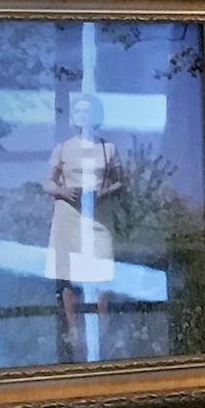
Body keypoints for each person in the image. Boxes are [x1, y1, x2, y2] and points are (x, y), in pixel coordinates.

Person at [43, 93, 121, 362]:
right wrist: (64, 191)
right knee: (67, 273)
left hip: (97, 216)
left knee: (101, 271)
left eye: (88, 111)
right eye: (79, 111)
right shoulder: (63, 147)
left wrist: (104, 193)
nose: (83, 116)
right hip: (68, 215)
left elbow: (119, 181)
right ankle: (73, 329)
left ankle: (103, 328)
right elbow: (48, 183)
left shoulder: (107, 148)